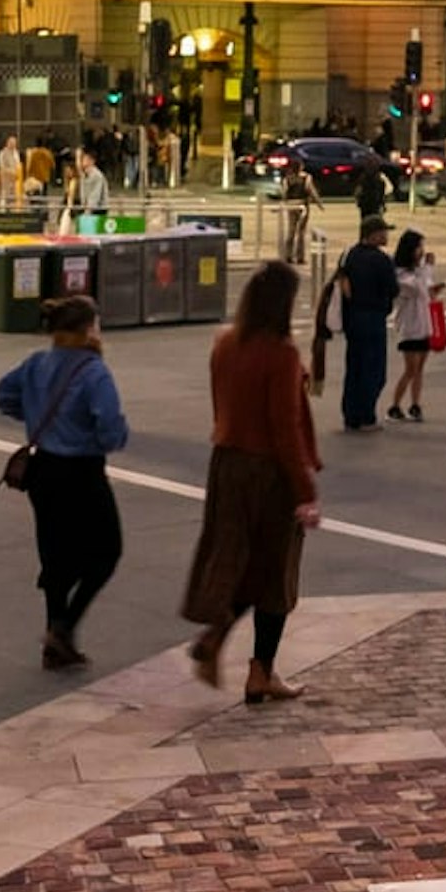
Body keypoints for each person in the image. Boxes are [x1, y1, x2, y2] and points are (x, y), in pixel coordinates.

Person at [184, 260, 321, 701]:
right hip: (269, 473)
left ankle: (218, 634)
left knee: (235, 558)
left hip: (227, 464)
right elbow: (284, 428)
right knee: (275, 573)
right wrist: (305, 491)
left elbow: (219, 403)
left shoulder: (224, 343)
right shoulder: (282, 354)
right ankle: (259, 670)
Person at [0, 295, 129, 667]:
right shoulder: (93, 371)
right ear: (89, 330)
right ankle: (64, 627)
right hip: (81, 471)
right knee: (107, 551)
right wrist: (108, 439)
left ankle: (55, 642)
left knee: (55, 553)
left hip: (43, 472)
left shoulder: (37, 363)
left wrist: (32, 414)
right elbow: (109, 427)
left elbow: (4, 394)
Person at [313, 224, 401, 435]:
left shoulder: (349, 254)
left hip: (352, 319)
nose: (387, 235)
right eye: (384, 231)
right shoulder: (382, 260)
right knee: (374, 370)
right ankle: (366, 416)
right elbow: (393, 289)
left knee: (354, 367)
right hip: (373, 318)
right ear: (374, 234)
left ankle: (351, 415)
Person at [385, 227, 442, 421]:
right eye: (419, 247)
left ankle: (415, 404)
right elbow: (415, 289)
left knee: (420, 369)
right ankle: (394, 405)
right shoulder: (400, 273)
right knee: (411, 368)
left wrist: (434, 289)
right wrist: (428, 269)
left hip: (424, 324)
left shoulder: (419, 271)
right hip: (409, 327)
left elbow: (427, 291)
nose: (422, 251)